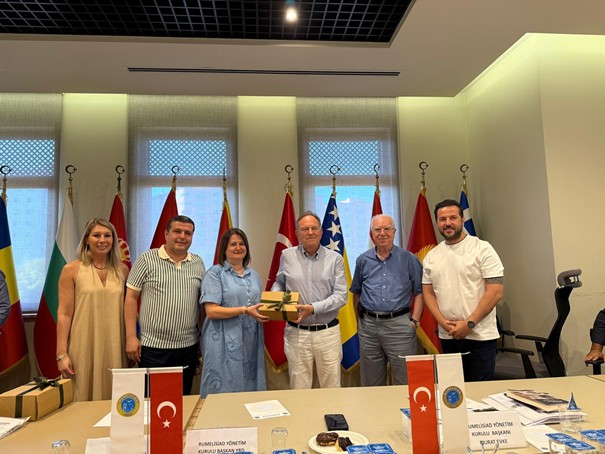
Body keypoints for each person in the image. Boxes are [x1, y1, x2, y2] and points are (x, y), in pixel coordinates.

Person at [422, 199, 504, 381]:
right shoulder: (432, 256)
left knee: (480, 393)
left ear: (462, 219)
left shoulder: (482, 249)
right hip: (448, 336)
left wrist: (469, 323)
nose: (448, 223)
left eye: (453, 218)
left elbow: (496, 291)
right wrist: (443, 323)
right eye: (442, 219)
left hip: (480, 336)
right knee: (452, 392)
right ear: (437, 223)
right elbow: (428, 293)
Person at [125, 215, 205, 395]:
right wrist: (131, 337)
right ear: (166, 234)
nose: (182, 236)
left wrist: (201, 341)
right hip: (153, 348)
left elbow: (201, 305)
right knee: (154, 401)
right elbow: (130, 298)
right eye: (177, 231)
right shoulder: (146, 259)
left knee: (182, 401)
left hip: (188, 347)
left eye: (188, 233)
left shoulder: (198, 263)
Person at [271, 211, 347, 389]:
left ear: (321, 232)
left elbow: (341, 296)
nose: (310, 232)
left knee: (331, 387)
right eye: (305, 229)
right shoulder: (286, 255)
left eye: (314, 228)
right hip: (297, 333)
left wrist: (313, 308)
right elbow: (279, 282)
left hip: (327, 333)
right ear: (297, 233)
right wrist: (277, 297)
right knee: (299, 388)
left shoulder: (335, 259)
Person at [56, 218, 129, 401]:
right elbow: (64, 314)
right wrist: (61, 354)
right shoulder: (71, 269)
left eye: (107, 235)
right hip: (83, 343)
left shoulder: (122, 270)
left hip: (115, 344)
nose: (102, 240)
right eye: (96, 235)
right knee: (81, 396)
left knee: (115, 400)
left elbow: (128, 309)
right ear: (87, 239)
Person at [350, 214, 423, 386]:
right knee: (371, 382)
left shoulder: (409, 259)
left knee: (405, 381)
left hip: (400, 326)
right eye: (377, 229)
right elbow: (357, 293)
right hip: (369, 327)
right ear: (371, 234)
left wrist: (415, 321)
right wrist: (360, 322)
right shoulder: (363, 260)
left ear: (394, 232)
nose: (382, 233)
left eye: (387, 229)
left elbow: (419, 292)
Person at [199, 228, 269, 397]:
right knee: (223, 389)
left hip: (250, 340)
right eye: (233, 244)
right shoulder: (215, 273)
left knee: (249, 389)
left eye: (242, 243)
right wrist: (245, 311)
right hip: (223, 339)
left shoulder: (253, 275)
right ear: (224, 248)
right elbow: (211, 311)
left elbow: (258, 304)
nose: (238, 247)